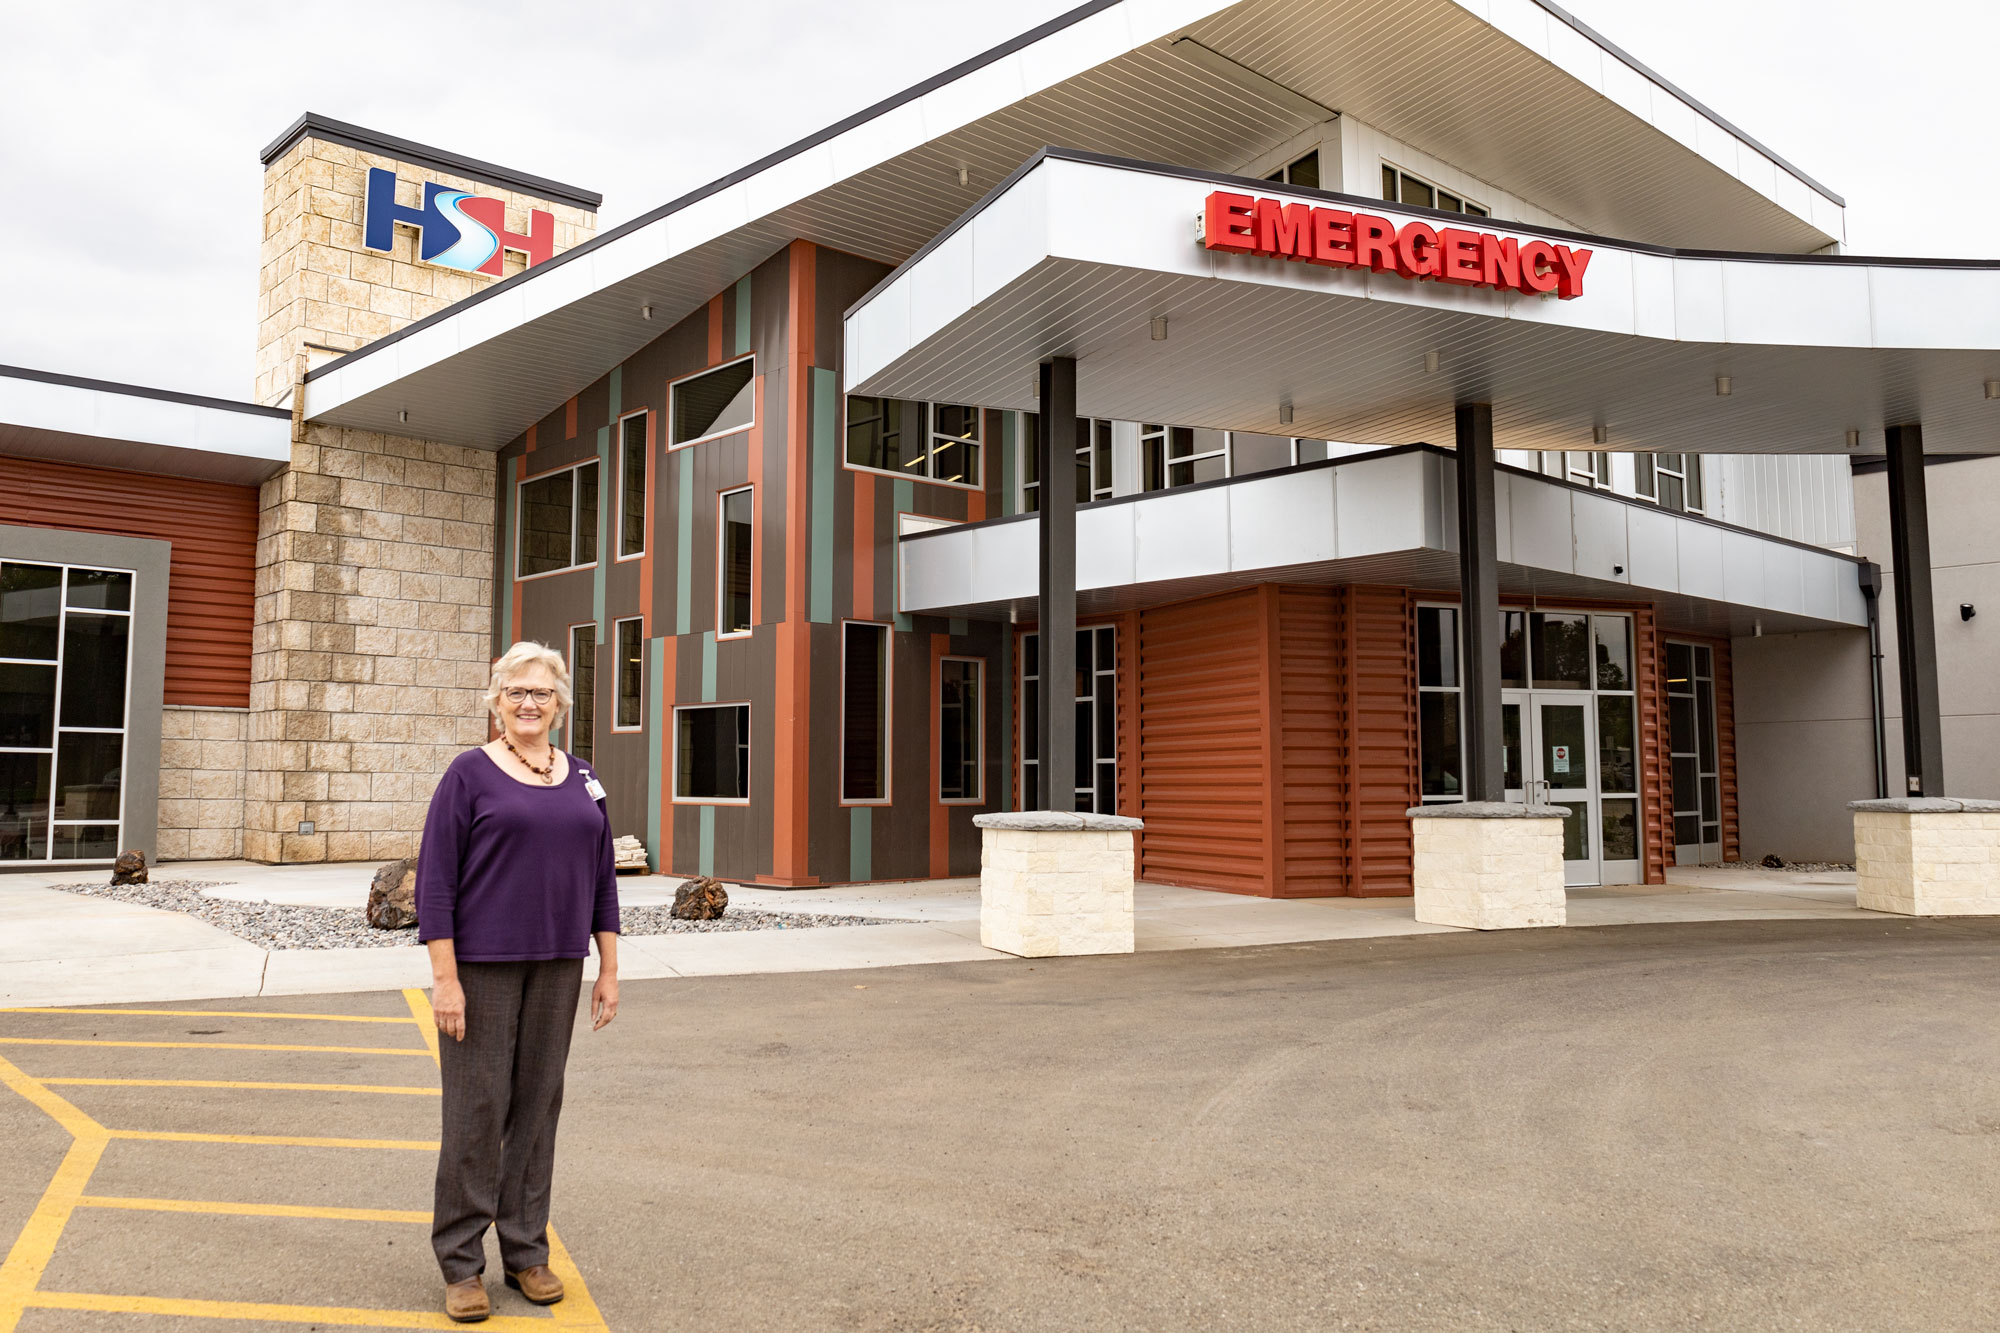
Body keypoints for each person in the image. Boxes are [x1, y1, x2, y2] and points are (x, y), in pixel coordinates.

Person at [415, 640, 621, 1323]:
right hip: (481, 967)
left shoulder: (583, 775)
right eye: (516, 692)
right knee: (475, 1113)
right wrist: (445, 979)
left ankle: (527, 1250)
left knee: (536, 1110)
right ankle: (462, 1265)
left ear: (560, 704)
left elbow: (601, 880)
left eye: (542, 693)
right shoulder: (469, 774)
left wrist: (608, 968)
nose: (529, 703)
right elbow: (437, 882)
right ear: (497, 701)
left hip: (559, 965)